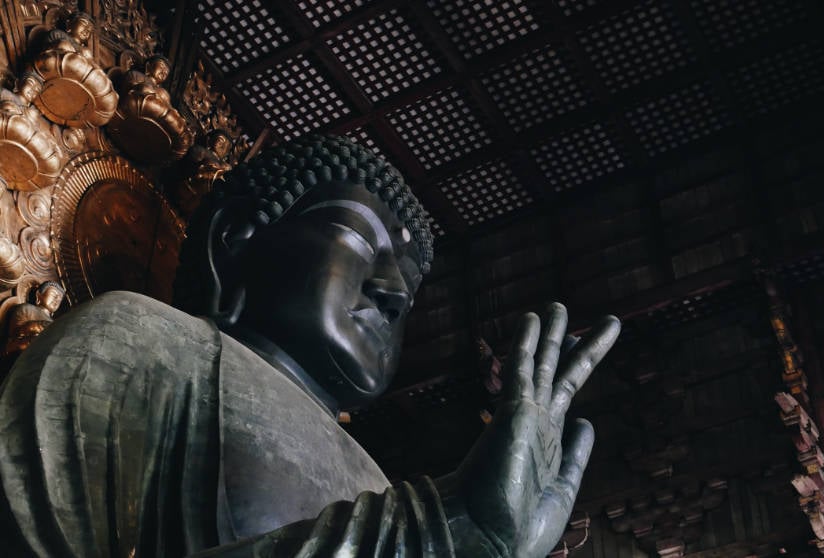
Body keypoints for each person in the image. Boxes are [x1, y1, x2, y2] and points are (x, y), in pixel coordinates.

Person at [0, 135, 620, 557]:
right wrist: (442, 531)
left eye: (409, 286)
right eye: (362, 241)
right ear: (235, 240)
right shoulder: (139, 341)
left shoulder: (379, 481)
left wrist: (482, 541)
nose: (393, 293)